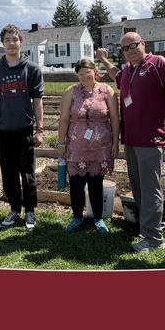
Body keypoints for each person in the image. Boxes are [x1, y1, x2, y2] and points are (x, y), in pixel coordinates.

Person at [94, 33, 165, 252]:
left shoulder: (158, 63)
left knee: (150, 187)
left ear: (143, 44)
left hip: (152, 137)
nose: (130, 50)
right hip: (132, 138)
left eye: (134, 45)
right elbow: (117, 75)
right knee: (138, 188)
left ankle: (154, 239)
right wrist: (105, 61)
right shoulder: (127, 70)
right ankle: (149, 229)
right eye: (125, 48)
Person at [0, 25, 44, 230]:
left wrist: (40, 129)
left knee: (27, 173)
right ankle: (14, 210)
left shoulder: (32, 69)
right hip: (2, 131)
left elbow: (37, 101)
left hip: (25, 130)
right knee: (8, 173)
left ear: (21, 42)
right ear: (2, 44)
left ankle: (30, 212)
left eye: (15, 39)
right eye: (7, 40)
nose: (12, 43)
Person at [57, 59, 119, 233]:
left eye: (87, 72)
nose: (84, 77)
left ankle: (98, 219)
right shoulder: (71, 92)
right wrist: (61, 143)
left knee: (96, 184)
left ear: (95, 71)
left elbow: (114, 118)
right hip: (76, 147)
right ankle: (77, 217)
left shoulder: (107, 91)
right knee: (76, 184)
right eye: (80, 74)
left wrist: (115, 143)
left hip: (101, 148)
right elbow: (63, 119)